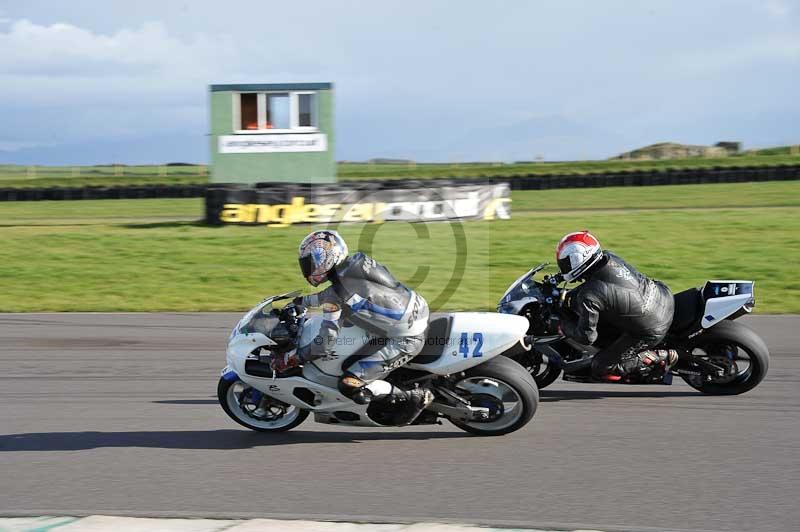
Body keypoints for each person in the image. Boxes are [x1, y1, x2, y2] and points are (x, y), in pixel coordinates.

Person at [270, 230, 434, 425]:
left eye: (309, 263)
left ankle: (414, 396)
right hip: (417, 309)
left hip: (407, 339)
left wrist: (292, 358)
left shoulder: (338, 293)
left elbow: (323, 345)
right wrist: (300, 302)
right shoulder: (356, 263)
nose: (307, 268)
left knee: (349, 384)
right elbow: (331, 294)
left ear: (325, 260)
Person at [555, 231, 678, 382]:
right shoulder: (608, 258)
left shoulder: (589, 295)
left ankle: (657, 355)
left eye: (565, 262)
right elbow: (600, 290)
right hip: (663, 295)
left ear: (577, 260)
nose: (563, 266)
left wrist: (562, 325)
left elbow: (587, 337)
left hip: (652, 328)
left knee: (601, 366)